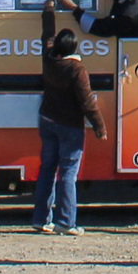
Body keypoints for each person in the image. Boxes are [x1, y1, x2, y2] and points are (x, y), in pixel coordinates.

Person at [34, 31, 103, 234]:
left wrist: (49, 12)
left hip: (47, 120)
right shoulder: (76, 69)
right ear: (74, 49)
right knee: (68, 173)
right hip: (70, 126)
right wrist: (99, 126)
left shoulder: (48, 60)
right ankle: (65, 222)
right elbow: (87, 101)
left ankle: (40, 219)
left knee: (47, 169)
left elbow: (45, 36)